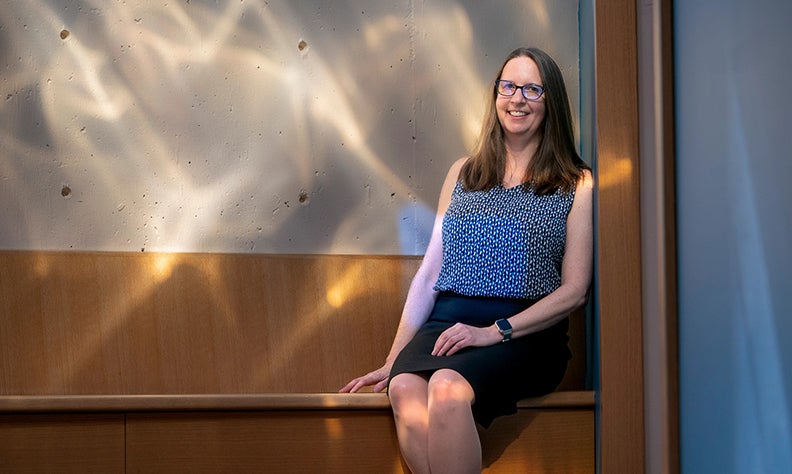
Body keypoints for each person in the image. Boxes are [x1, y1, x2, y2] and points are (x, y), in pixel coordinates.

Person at [340, 46, 593, 474]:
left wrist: (493, 333)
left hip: (522, 334)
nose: (518, 99)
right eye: (509, 86)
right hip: (447, 325)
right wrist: (392, 358)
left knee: (447, 388)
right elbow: (429, 276)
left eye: (533, 89)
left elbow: (575, 291)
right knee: (402, 386)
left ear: (551, 102)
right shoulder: (464, 173)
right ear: (496, 95)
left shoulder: (575, 182)